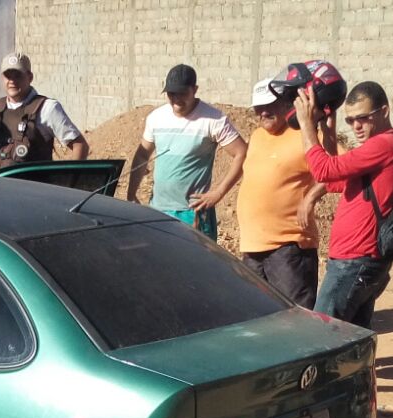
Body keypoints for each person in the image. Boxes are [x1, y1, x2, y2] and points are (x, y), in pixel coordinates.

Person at [294, 80, 393, 328]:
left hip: (355, 261)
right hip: (359, 260)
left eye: (363, 118)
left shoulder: (385, 144)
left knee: (321, 333)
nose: (356, 126)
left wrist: (305, 124)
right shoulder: (381, 148)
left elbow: (323, 170)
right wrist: (327, 132)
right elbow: (333, 179)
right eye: (350, 120)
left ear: (384, 111)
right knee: (352, 336)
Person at [237, 77, 331, 307]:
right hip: (252, 247)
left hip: (289, 248)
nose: (263, 112)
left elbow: (339, 167)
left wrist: (310, 198)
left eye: (270, 105)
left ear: (286, 103)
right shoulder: (257, 136)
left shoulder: (305, 135)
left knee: (294, 316)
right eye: (258, 107)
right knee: (257, 315)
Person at [126, 64, 248, 241]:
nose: (176, 99)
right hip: (158, 211)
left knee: (196, 259)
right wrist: (131, 194)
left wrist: (218, 193)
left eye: (182, 93)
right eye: (171, 94)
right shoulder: (156, 118)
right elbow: (142, 155)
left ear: (195, 90)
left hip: (193, 214)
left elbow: (242, 153)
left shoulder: (213, 120)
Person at [0, 52, 89, 173]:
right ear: (2, 78)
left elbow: (80, 145)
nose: (12, 81)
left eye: (17, 75)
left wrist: (71, 180)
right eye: (8, 76)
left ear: (30, 77)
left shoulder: (47, 108)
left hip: (32, 185)